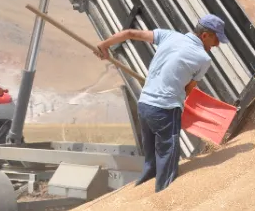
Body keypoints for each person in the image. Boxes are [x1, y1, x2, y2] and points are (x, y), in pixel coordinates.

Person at [94, 14, 228, 192]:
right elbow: (188, 89)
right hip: (165, 111)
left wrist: (104, 46)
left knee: (151, 162)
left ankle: (142, 196)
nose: (217, 44)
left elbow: (130, 33)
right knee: (167, 166)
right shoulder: (204, 59)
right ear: (205, 35)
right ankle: (162, 203)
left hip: (144, 106)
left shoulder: (169, 36)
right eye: (216, 39)